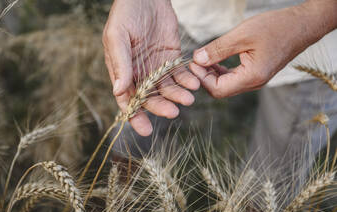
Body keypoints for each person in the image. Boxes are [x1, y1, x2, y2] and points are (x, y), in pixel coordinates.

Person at [103, 0, 337, 188]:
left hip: (318, 41)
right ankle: (110, 205)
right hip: (180, 10)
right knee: (141, 106)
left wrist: (312, 18)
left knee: (272, 178)